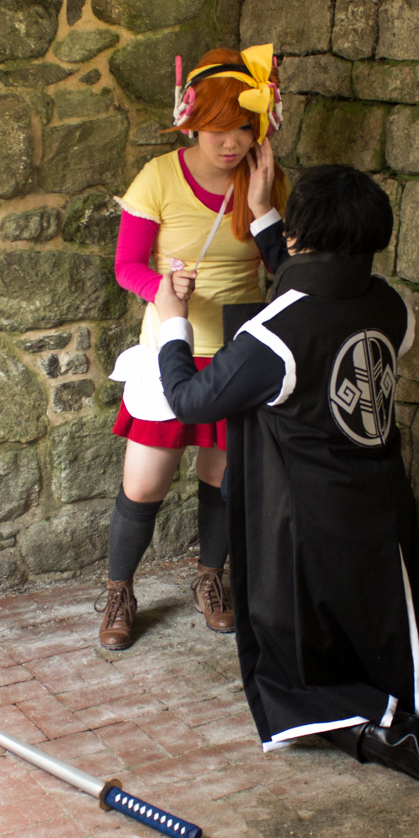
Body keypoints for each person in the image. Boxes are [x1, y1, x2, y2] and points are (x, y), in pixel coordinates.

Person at [148, 164, 419, 811]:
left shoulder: (270, 336)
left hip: (306, 520)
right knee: (371, 627)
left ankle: (415, 750)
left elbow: (192, 399)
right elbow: (315, 287)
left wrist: (172, 321)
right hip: (380, 503)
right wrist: (264, 215)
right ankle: (400, 719)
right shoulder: (391, 306)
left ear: (303, 232)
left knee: (292, 665)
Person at [99, 44, 289, 651]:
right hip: (170, 346)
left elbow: (286, 273)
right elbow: (126, 265)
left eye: (242, 128)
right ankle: (119, 591)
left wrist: (263, 206)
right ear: (191, 122)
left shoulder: (265, 179)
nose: (230, 143)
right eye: (215, 128)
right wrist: (162, 287)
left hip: (238, 353)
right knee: (144, 485)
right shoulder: (158, 177)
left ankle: (211, 578)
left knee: (222, 479)